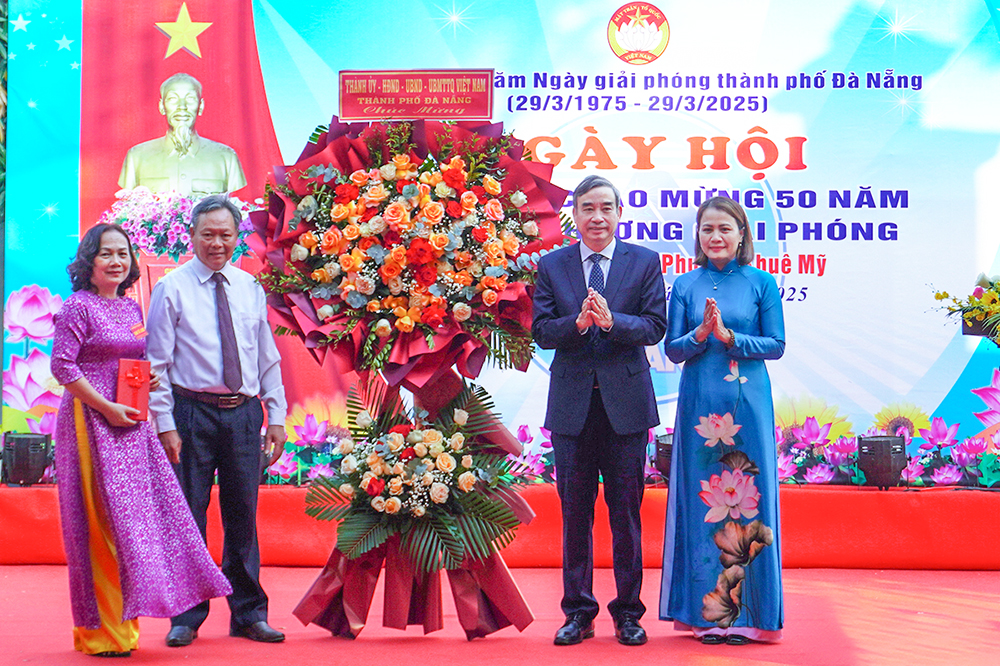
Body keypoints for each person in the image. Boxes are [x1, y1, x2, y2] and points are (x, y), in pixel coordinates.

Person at [51, 223, 232, 657]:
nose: (116, 262)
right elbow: (63, 367)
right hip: (89, 423)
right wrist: (106, 408)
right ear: (88, 262)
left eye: (123, 254)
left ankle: (125, 629)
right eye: (106, 254)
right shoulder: (78, 307)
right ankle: (100, 633)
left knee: (131, 524)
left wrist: (146, 376)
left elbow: (134, 359)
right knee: (97, 524)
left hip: (130, 425)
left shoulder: (132, 309)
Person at [146, 195, 288, 646]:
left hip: (244, 415)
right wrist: (165, 424)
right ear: (191, 236)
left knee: (243, 514)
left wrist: (277, 416)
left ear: (236, 238)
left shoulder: (249, 287)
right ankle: (186, 615)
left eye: (226, 235)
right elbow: (157, 366)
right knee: (189, 514)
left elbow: (267, 359)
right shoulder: (172, 288)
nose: (217, 243)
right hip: (191, 415)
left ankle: (249, 613)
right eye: (208, 234)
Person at [532, 175, 667, 646]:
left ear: (618, 214)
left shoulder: (644, 262)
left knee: (626, 515)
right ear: (576, 215)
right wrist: (578, 322)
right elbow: (543, 332)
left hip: (625, 409)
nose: (597, 217)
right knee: (575, 514)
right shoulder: (553, 265)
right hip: (572, 409)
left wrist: (613, 322)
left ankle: (629, 613)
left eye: (606, 208)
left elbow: (654, 327)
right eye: (588, 208)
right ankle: (579, 612)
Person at [659, 196, 785, 645]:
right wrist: (699, 334)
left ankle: (751, 618)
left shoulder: (761, 283)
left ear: (742, 234)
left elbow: (776, 344)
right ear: (698, 235)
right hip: (699, 407)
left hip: (747, 405)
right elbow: (672, 350)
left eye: (725, 229)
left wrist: (731, 338)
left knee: (750, 504)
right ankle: (707, 617)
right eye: (707, 229)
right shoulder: (686, 285)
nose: (715, 237)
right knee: (703, 506)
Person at [118, 73, 246, 197]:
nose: (182, 107)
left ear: (200, 106)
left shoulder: (226, 157)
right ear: (162, 107)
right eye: (173, 99)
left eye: (190, 99)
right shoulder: (137, 156)